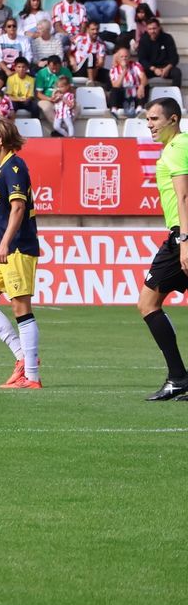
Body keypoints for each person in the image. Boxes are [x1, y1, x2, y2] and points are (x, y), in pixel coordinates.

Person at [0, 117, 43, 391]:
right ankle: (22, 358)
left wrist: (4, 244)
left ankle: (33, 377)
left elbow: (17, 209)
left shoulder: (14, 166)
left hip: (17, 248)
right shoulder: (0, 169)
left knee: (20, 307)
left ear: (0, 139)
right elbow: (3, 213)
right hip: (4, 247)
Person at [140, 97, 188, 399]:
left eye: (155, 119)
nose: (149, 125)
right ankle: (179, 378)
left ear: (173, 119)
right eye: (147, 119)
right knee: (148, 303)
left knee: (147, 304)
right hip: (179, 236)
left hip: (181, 238)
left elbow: (183, 198)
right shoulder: (178, 147)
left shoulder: (179, 148)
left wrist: (184, 242)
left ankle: (178, 377)